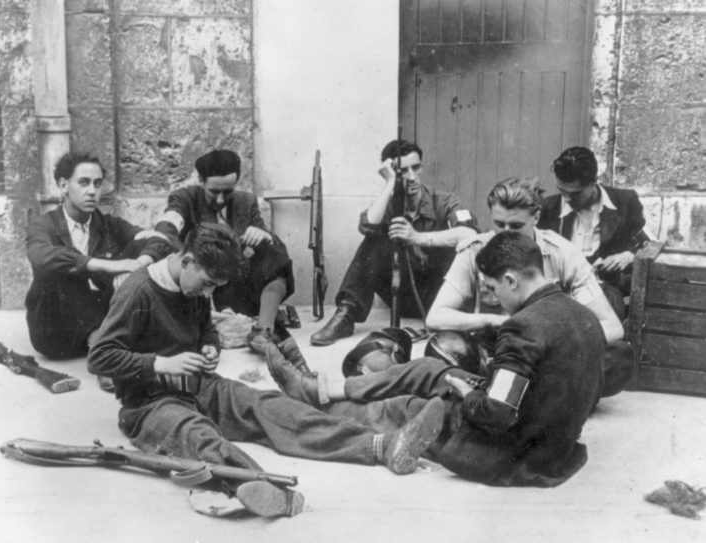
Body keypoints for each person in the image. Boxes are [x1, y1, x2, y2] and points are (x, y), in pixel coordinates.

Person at [87, 222, 445, 518]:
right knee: (196, 434)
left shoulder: (194, 287)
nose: (207, 293)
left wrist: (209, 345)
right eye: (207, 283)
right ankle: (260, 487)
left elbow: (204, 327)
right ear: (188, 260)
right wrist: (160, 364)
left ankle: (381, 446)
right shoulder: (137, 292)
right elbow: (100, 356)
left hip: (200, 385)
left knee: (268, 406)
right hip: (149, 404)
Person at [267, 232, 605, 487]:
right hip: (552, 445)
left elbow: (498, 414)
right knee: (430, 368)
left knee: (408, 408)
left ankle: (314, 408)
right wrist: (468, 384)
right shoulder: (585, 316)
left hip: (515, 452)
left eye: (492, 288)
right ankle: (322, 389)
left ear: (512, 280)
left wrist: (467, 393)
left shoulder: (522, 327)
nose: (494, 299)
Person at [426, 176, 633, 397]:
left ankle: (505, 390)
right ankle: (531, 393)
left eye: (516, 226)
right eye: (499, 224)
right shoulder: (473, 251)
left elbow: (612, 327)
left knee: (618, 356)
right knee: (444, 345)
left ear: (536, 217)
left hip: (549, 351)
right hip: (494, 345)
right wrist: (493, 320)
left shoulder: (563, 253)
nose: (506, 233)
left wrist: (556, 338)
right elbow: (435, 317)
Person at [311, 139, 478, 346]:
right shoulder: (388, 205)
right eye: (402, 171)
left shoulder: (443, 201)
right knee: (374, 240)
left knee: (456, 243)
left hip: (442, 295)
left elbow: (470, 233)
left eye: (415, 168)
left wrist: (417, 237)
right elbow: (367, 226)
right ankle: (346, 315)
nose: (412, 177)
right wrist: (390, 183)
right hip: (403, 296)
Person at [153, 149, 305, 366]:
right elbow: (167, 228)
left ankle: (263, 332)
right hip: (201, 286)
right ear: (201, 180)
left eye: (228, 192)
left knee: (274, 250)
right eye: (213, 191)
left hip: (236, 288)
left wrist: (264, 236)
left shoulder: (246, 201)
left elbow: (267, 249)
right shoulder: (185, 199)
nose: (221, 199)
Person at [25, 151, 171, 363]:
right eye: (83, 183)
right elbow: (39, 255)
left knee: (143, 247)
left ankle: (104, 345)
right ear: (64, 185)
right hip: (57, 333)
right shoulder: (44, 224)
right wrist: (109, 266)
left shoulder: (107, 224)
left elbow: (158, 241)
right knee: (60, 268)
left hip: (99, 318)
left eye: (97, 183)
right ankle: (106, 350)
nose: (92, 191)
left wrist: (136, 265)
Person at [538, 146, 649, 318]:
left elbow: (645, 245)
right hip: (561, 295)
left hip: (609, 294)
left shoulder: (625, 202)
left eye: (575, 193)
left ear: (594, 181)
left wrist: (628, 255)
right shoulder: (548, 209)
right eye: (561, 191)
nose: (566, 199)